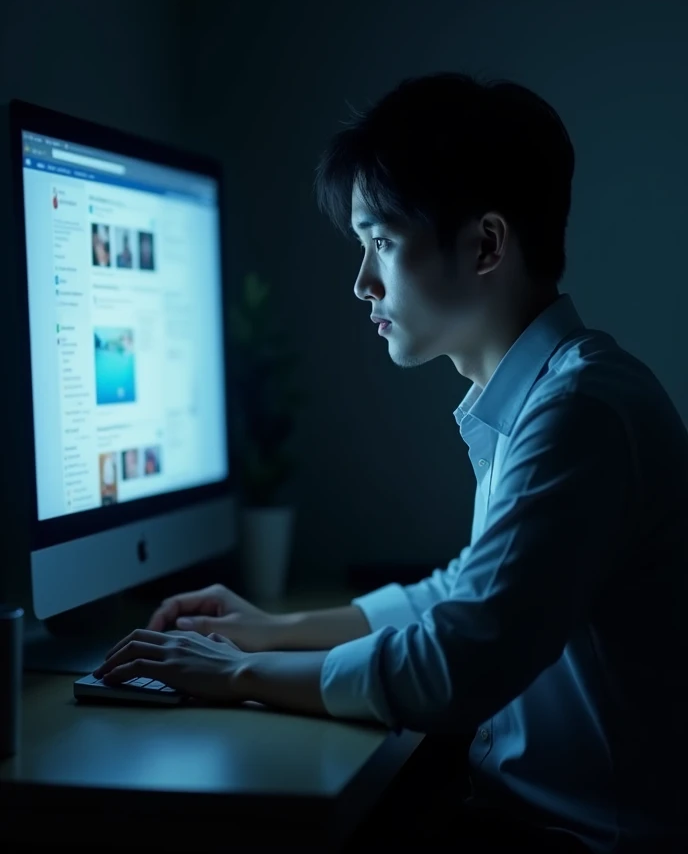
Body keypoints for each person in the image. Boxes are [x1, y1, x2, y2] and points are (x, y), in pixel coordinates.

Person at [94, 73, 688, 853]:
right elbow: (466, 596)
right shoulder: (543, 399)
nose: (361, 282)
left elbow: (454, 662)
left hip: (585, 841)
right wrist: (271, 631)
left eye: (380, 242)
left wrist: (236, 675)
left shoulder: (581, 413)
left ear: (485, 245)